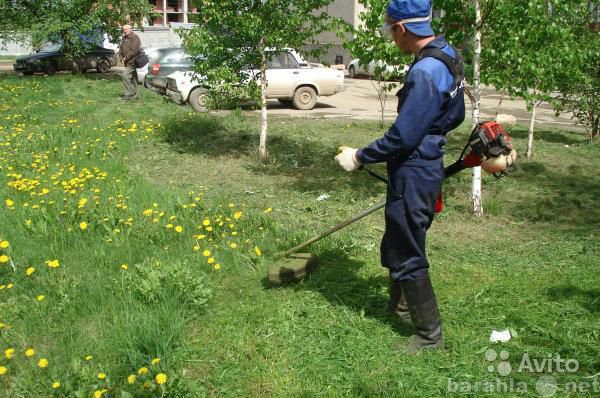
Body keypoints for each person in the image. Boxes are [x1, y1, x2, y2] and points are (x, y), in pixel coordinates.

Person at [335, 0, 465, 353]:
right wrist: (432, 134)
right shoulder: (447, 55)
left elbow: (402, 137)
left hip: (414, 169)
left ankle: (429, 336)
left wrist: (359, 157)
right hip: (428, 163)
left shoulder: (424, 72)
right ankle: (401, 306)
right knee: (401, 238)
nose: (391, 37)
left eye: (390, 30)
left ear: (403, 29)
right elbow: (457, 115)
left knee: (407, 249)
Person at [118, 24, 141, 100]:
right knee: (134, 78)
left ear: (130, 29)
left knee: (125, 75)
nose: (125, 31)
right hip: (127, 62)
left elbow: (134, 50)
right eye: (124, 29)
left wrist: (125, 58)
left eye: (126, 29)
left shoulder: (135, 38)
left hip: (133, 61)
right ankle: (137, 94)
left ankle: (128, 94)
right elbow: (120, 49)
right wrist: (121, 57)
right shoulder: (124, 38)